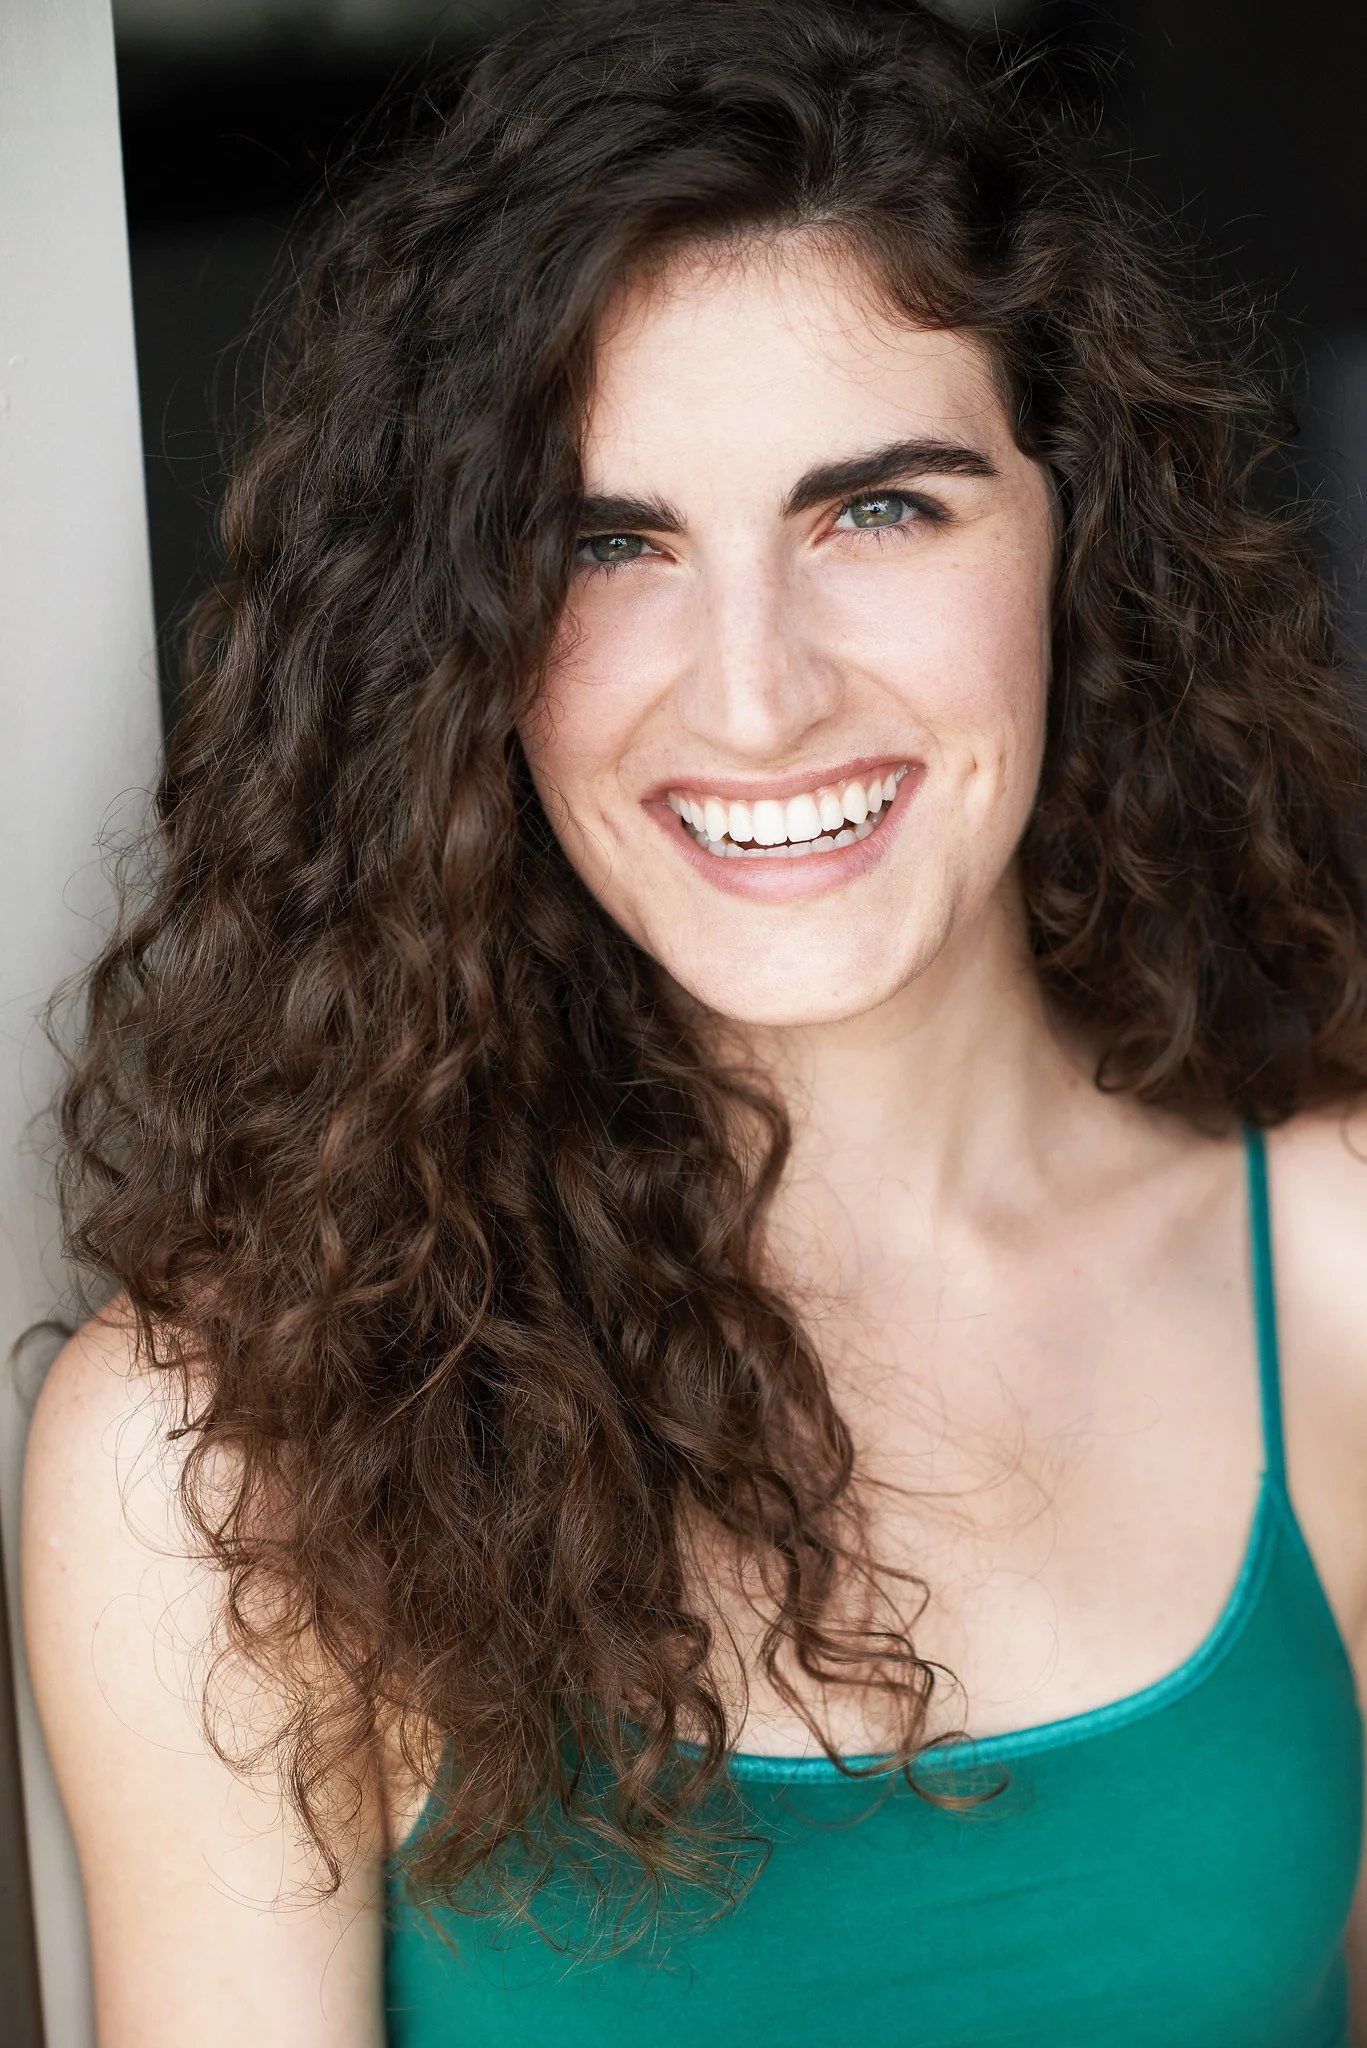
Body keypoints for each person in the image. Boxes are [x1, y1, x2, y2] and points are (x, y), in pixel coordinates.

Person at [22, 1, 1367, 2041]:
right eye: (604, 543)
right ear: (457, 632)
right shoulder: (229, 1443)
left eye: (877, 510)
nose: (752, 697)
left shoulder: (1343, 1261)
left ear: (1071, 536)